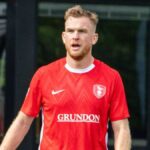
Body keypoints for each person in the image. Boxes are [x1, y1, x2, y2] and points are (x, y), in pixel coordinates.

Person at [0, 5, 131, 150]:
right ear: (64, 37)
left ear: (94, 38)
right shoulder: (44, 75)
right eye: (70, 31)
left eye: (82, 31)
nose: (75, 36)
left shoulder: (111, 77)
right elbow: (23, 121)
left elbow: (121, 128)